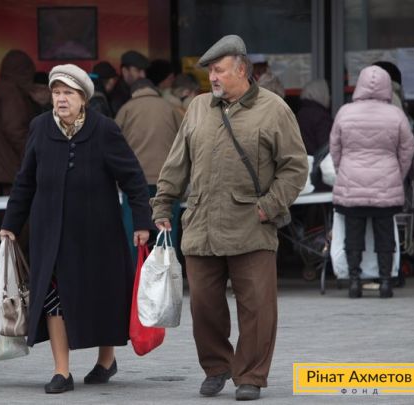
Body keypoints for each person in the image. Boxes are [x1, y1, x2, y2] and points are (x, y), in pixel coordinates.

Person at [151, 35, 308, 401]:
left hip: (252, 226)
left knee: (257, 308)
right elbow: (177, 162)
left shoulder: (274, 109)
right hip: (202, 224)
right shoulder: (198, 107)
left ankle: (250, 375)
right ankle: (217, 366)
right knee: (204, 305)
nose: (213, 78)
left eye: (219, 70)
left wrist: (269, 206)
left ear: (242, 69)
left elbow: (294, 167)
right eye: (210, 71)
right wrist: (163, 204)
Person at [0, 64, 151, 395]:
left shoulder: (104, 129)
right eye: (56, 92)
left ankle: (106, 360)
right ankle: (61, 371)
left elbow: (133, 178)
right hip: (50, 234)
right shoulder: (40, 127)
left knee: (104, 295)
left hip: (98, 233)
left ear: (83, 98)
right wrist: (10, 224)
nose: (61, 99)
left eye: (68, 93)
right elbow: (25, 180)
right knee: (54, 298)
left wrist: (142, 222)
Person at [330, 65, 414, 299]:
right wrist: (397, 174)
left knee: (353, 235)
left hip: (351, 182)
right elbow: (407, 149)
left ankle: (354, 282)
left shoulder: (345, 112)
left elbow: (334, 147)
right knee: (385, 234)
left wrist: (342, 170)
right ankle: (386, 283)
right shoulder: (395, 114)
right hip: (386, 184)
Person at [115, 78, 182, 258]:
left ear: (133, 92)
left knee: (134, 226)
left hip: (135, 181)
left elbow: (114, 145)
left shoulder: (126, 109)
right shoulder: (170, 108)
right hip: (167, 180)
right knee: (167, 228)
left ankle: (134, 266)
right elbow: (185, 140)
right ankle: (167, 267)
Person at [0, 49, 41, 195]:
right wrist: (31, 153)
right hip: (10, 164)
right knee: (14, 204)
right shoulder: (11, 93)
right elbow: (15, 130)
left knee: (5, 205)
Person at [296, 79, 333, 156]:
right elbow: (326, 147)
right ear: (320, 93)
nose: (330, 97)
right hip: (317, 161)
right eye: (328, 93)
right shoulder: (321, 116)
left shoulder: (300, 114)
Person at [110, 50, 149, 115]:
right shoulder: (118, 97)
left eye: (144, 71)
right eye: (138, 70)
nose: (143, 75)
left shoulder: (136, 90)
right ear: (125, 71)